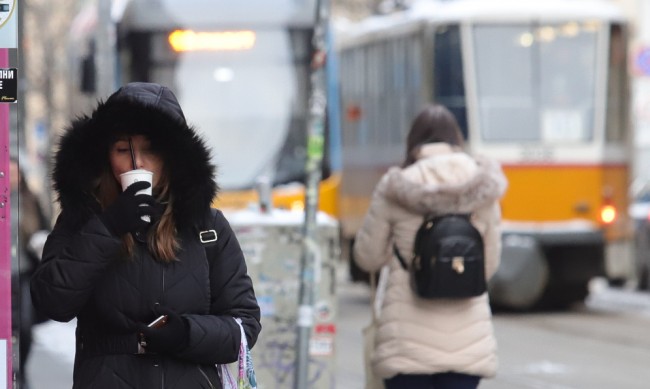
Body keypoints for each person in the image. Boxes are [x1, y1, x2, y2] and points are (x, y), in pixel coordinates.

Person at [30, 82, 261, 389]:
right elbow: (52, 302)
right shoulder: (82, 220)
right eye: (123, 150)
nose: (137, 164)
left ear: (172, 156)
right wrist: (109, 227)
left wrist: (186, 333)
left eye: (150, 149)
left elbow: (244, 326)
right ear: (106, 157)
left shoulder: (207, 227)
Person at [353, 104, 507, 389]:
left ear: (413, 141)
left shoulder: (395, 187)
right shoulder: (482, 188)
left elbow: (367, 257)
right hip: (468, 342)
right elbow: (489, 265)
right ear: (456, 140)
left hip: (405, 344)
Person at [10, 158, 50, 389]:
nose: (12, 177)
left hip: (24, 272)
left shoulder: (29, 200)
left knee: (24, 325)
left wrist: (39, 240)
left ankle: (20, 370)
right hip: (3, 273)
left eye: (16, 172)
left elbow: (45, 230)